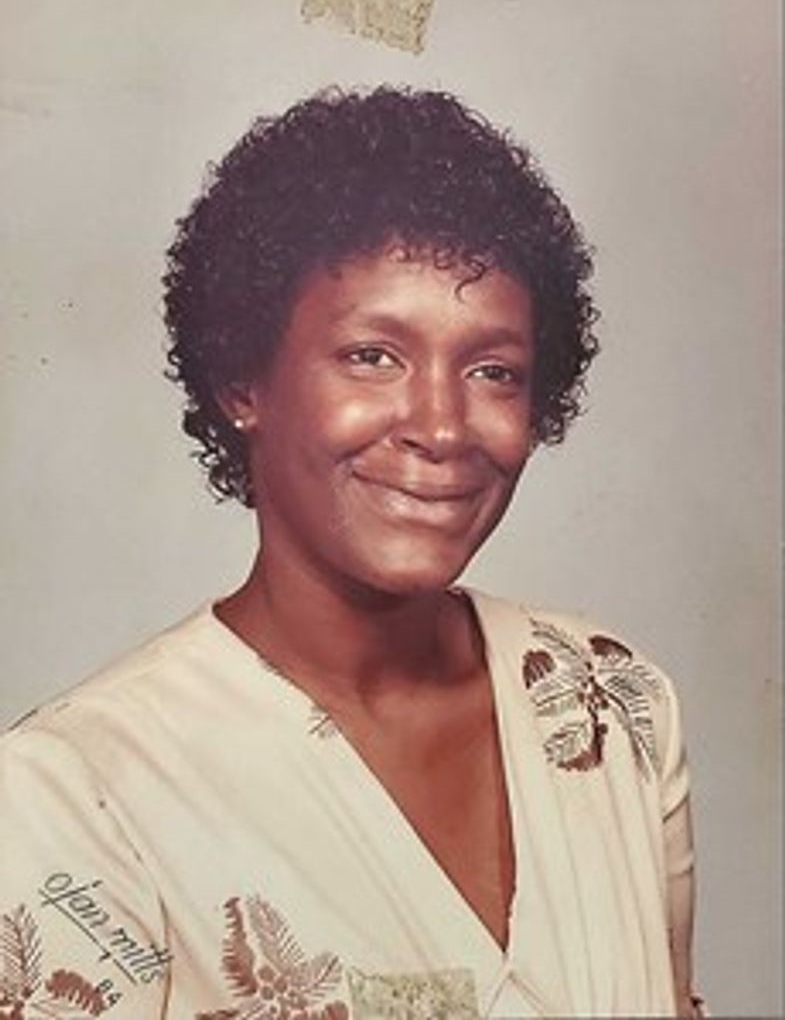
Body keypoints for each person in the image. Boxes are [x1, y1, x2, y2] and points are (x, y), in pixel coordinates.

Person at [0, 86, 704, 1019]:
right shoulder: (74, 792)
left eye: (492, 370)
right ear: (242, 379)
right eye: (373, 356)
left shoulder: (611, 702)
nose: (441, 427)